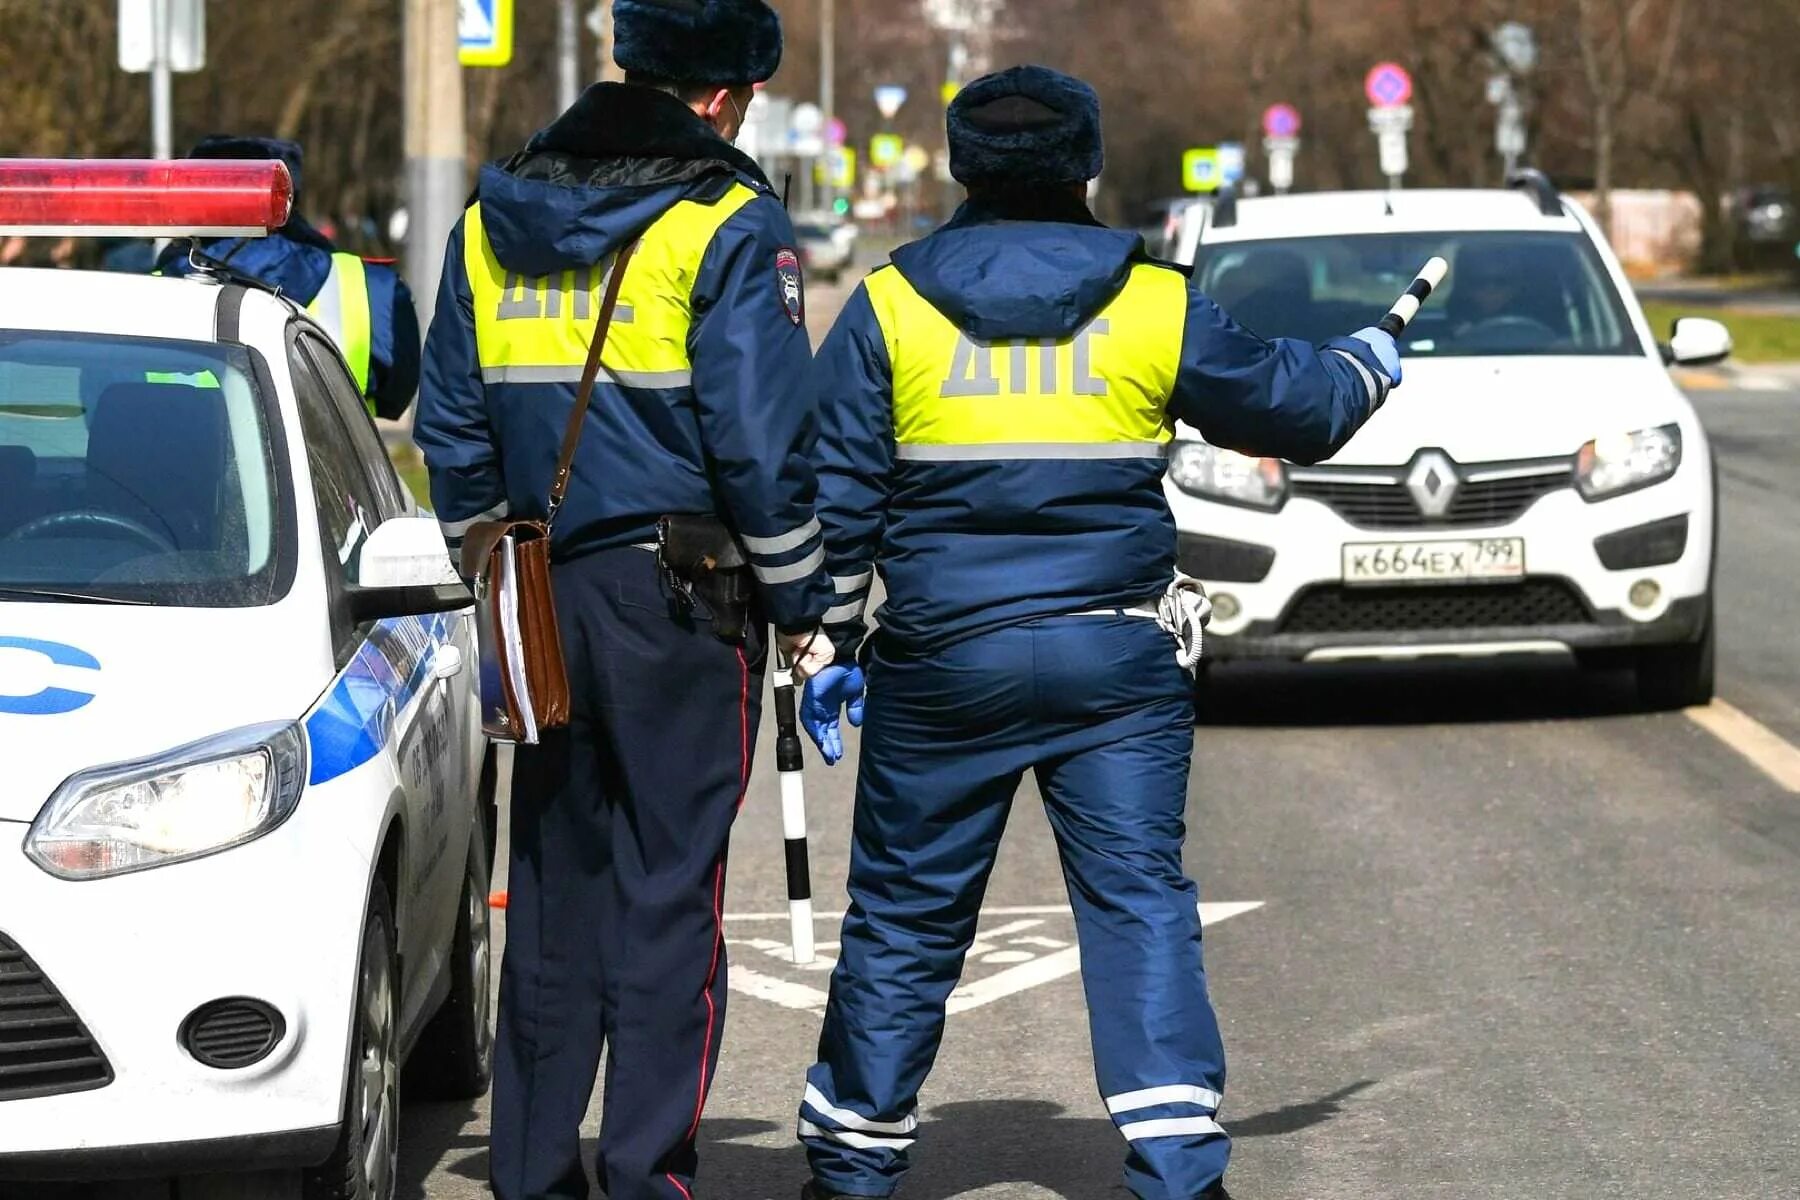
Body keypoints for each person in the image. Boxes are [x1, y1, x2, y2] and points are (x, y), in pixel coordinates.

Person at [792, 65, 1404, 1200]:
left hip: (943, 665)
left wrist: (824, 637)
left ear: (960, 166)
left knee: (905, 916)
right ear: (1087, 164)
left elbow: (837, 493)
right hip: (1114, 660)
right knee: (1137, 908)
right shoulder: (1153, 301)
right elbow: (1302, 408)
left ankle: (853, 1166)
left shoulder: (890, 306)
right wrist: (1372, 358)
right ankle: (1177, 1167)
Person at [414, 3, 835, 1198]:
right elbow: (759, 444)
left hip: (534, 593)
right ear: (717, 98)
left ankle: (533, 1172)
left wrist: (494, 562)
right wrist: (804, 599)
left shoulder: (491, 221)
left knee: (549, 890)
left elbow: (448, 422)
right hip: (680, 600)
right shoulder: (727, 225)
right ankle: (647, 1171)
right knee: (668, 893)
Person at [154, 136, 420, 419]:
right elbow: (396, 398)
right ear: (289, 194)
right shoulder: (372, 288)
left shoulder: (151, 291)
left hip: (180, 459)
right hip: (322, 459)